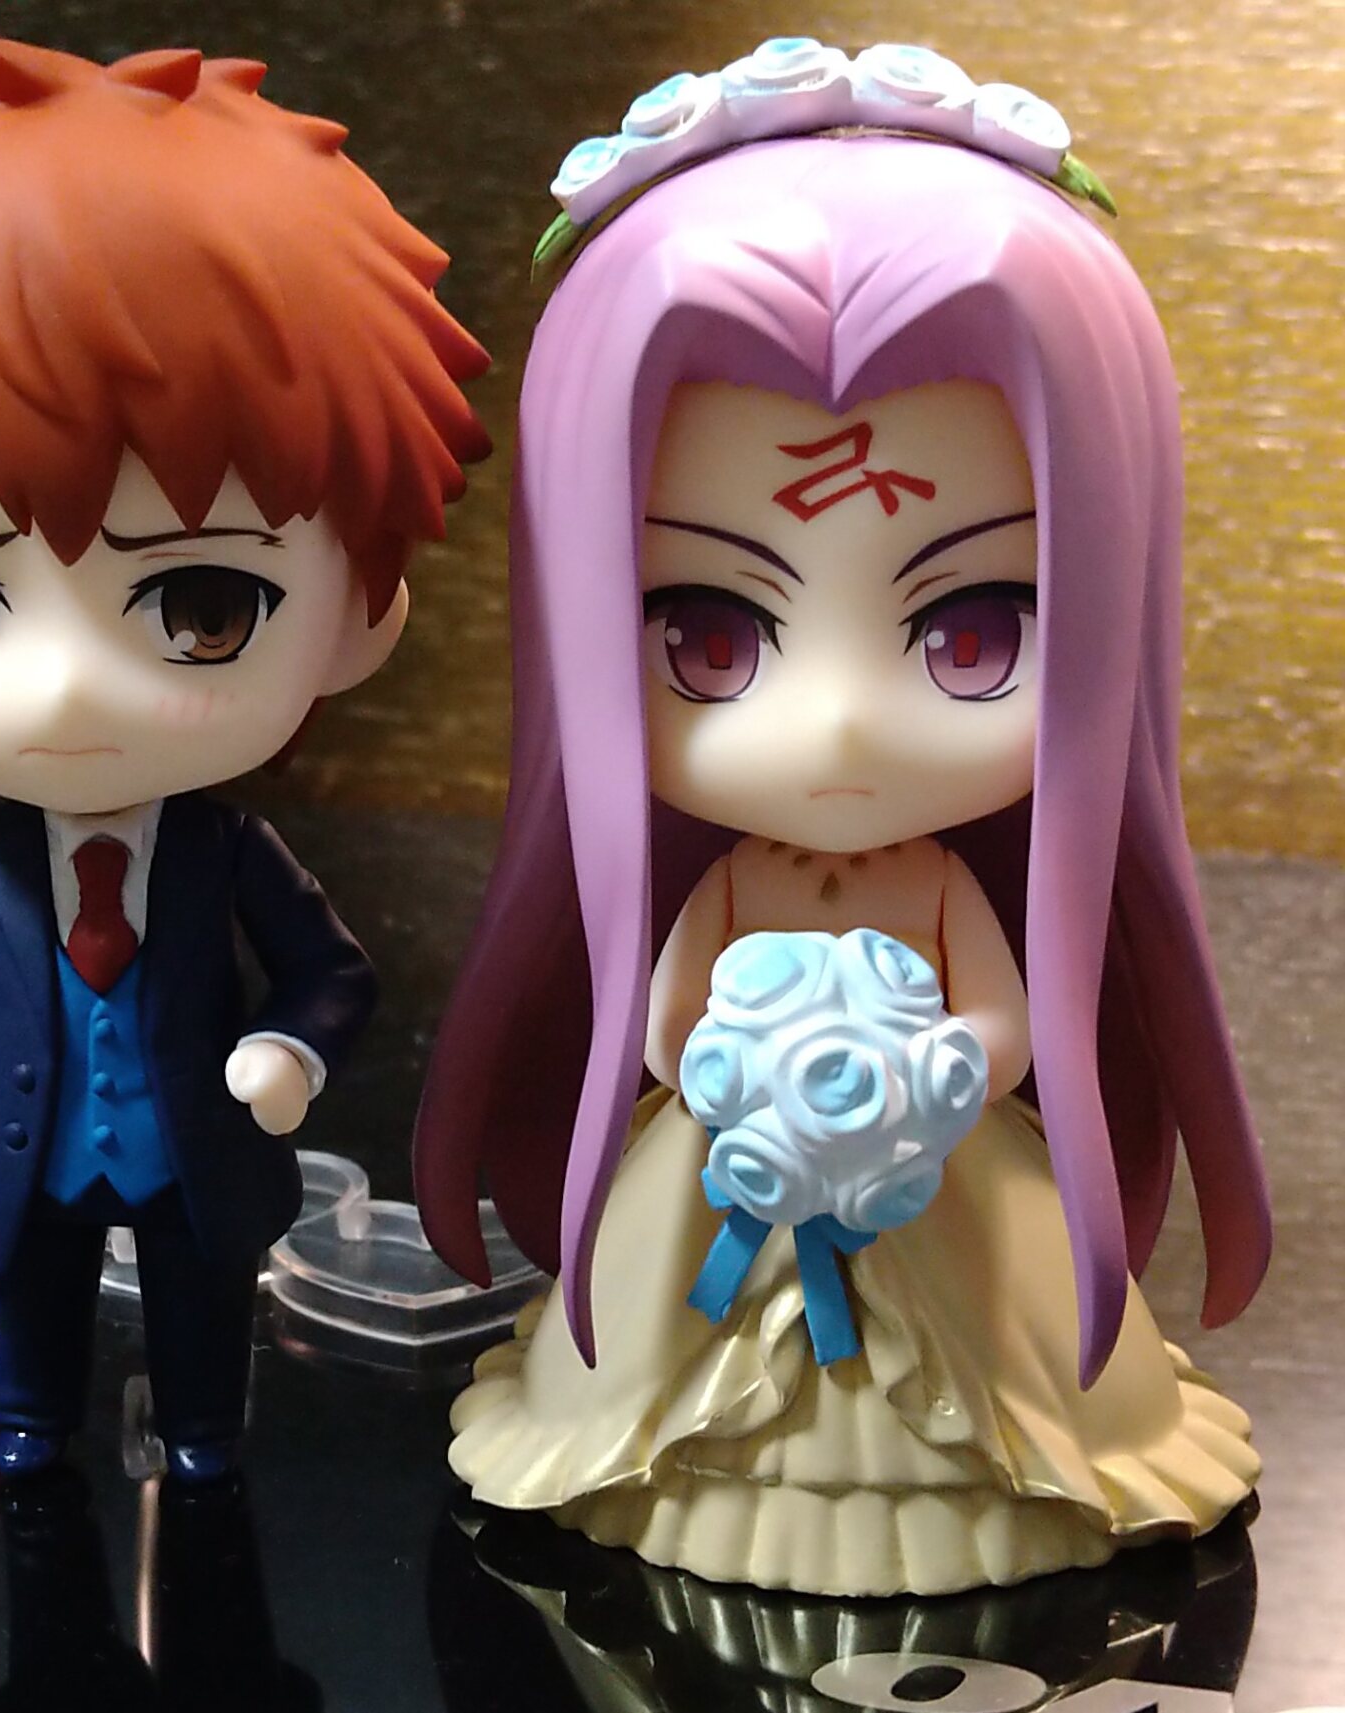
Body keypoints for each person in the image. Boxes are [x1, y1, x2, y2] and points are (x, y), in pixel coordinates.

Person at [414, 40, 1269, 1595]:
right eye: (710, 637)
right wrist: (731, 1078)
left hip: (939, 1167)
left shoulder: (941, 883)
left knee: (999, 1335)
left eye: (971, 634)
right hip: (731, 1157)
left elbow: (1000, 1014)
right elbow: (667, 1009)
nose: (839, 724)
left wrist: (936, 1083)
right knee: (662, 1326)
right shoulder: (731, 880)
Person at [0, 37, 491, 1480]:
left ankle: (200, 1432)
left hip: (199, 1159)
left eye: (201, 606)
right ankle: (29, 1425)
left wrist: (289, 1050)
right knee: (33, 1342)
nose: (66, 686)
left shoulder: (228, 852)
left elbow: (331, 972)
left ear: (360, 612)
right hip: (23, 1161)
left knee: (202, 1341)